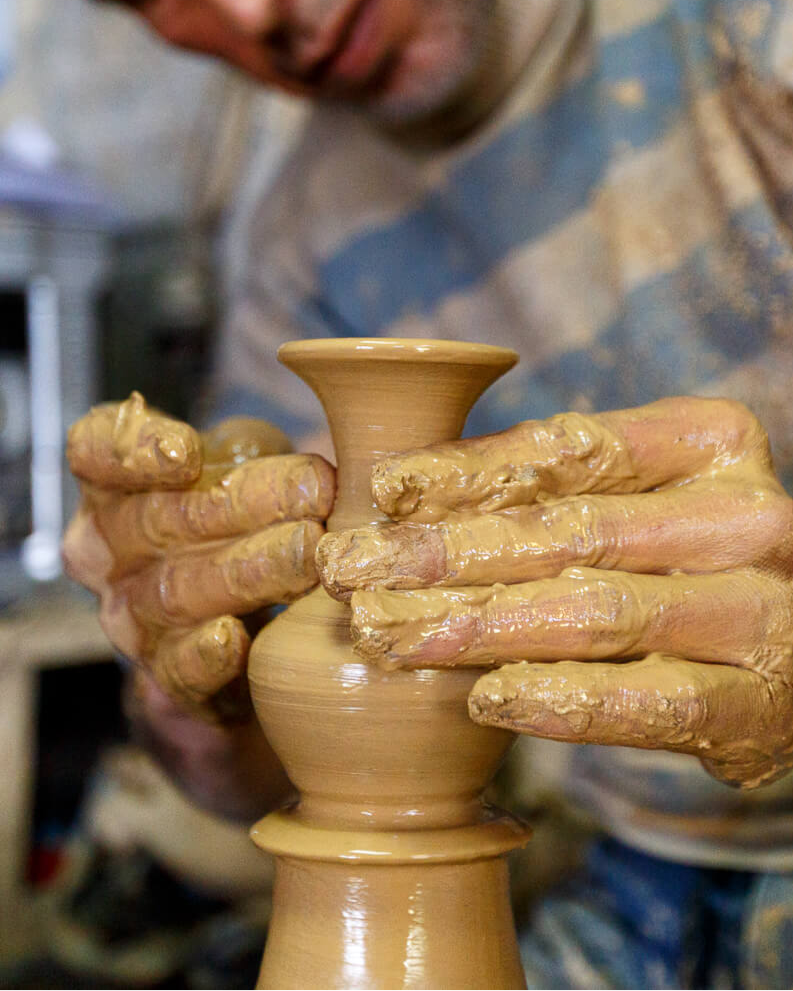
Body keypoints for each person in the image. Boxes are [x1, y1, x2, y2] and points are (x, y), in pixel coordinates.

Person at [63, 1, 793, 987]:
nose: (252, 12)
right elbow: (281, 759)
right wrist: (189, 679)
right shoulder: (301, 247)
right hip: (627, 864)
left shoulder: (743, 33)